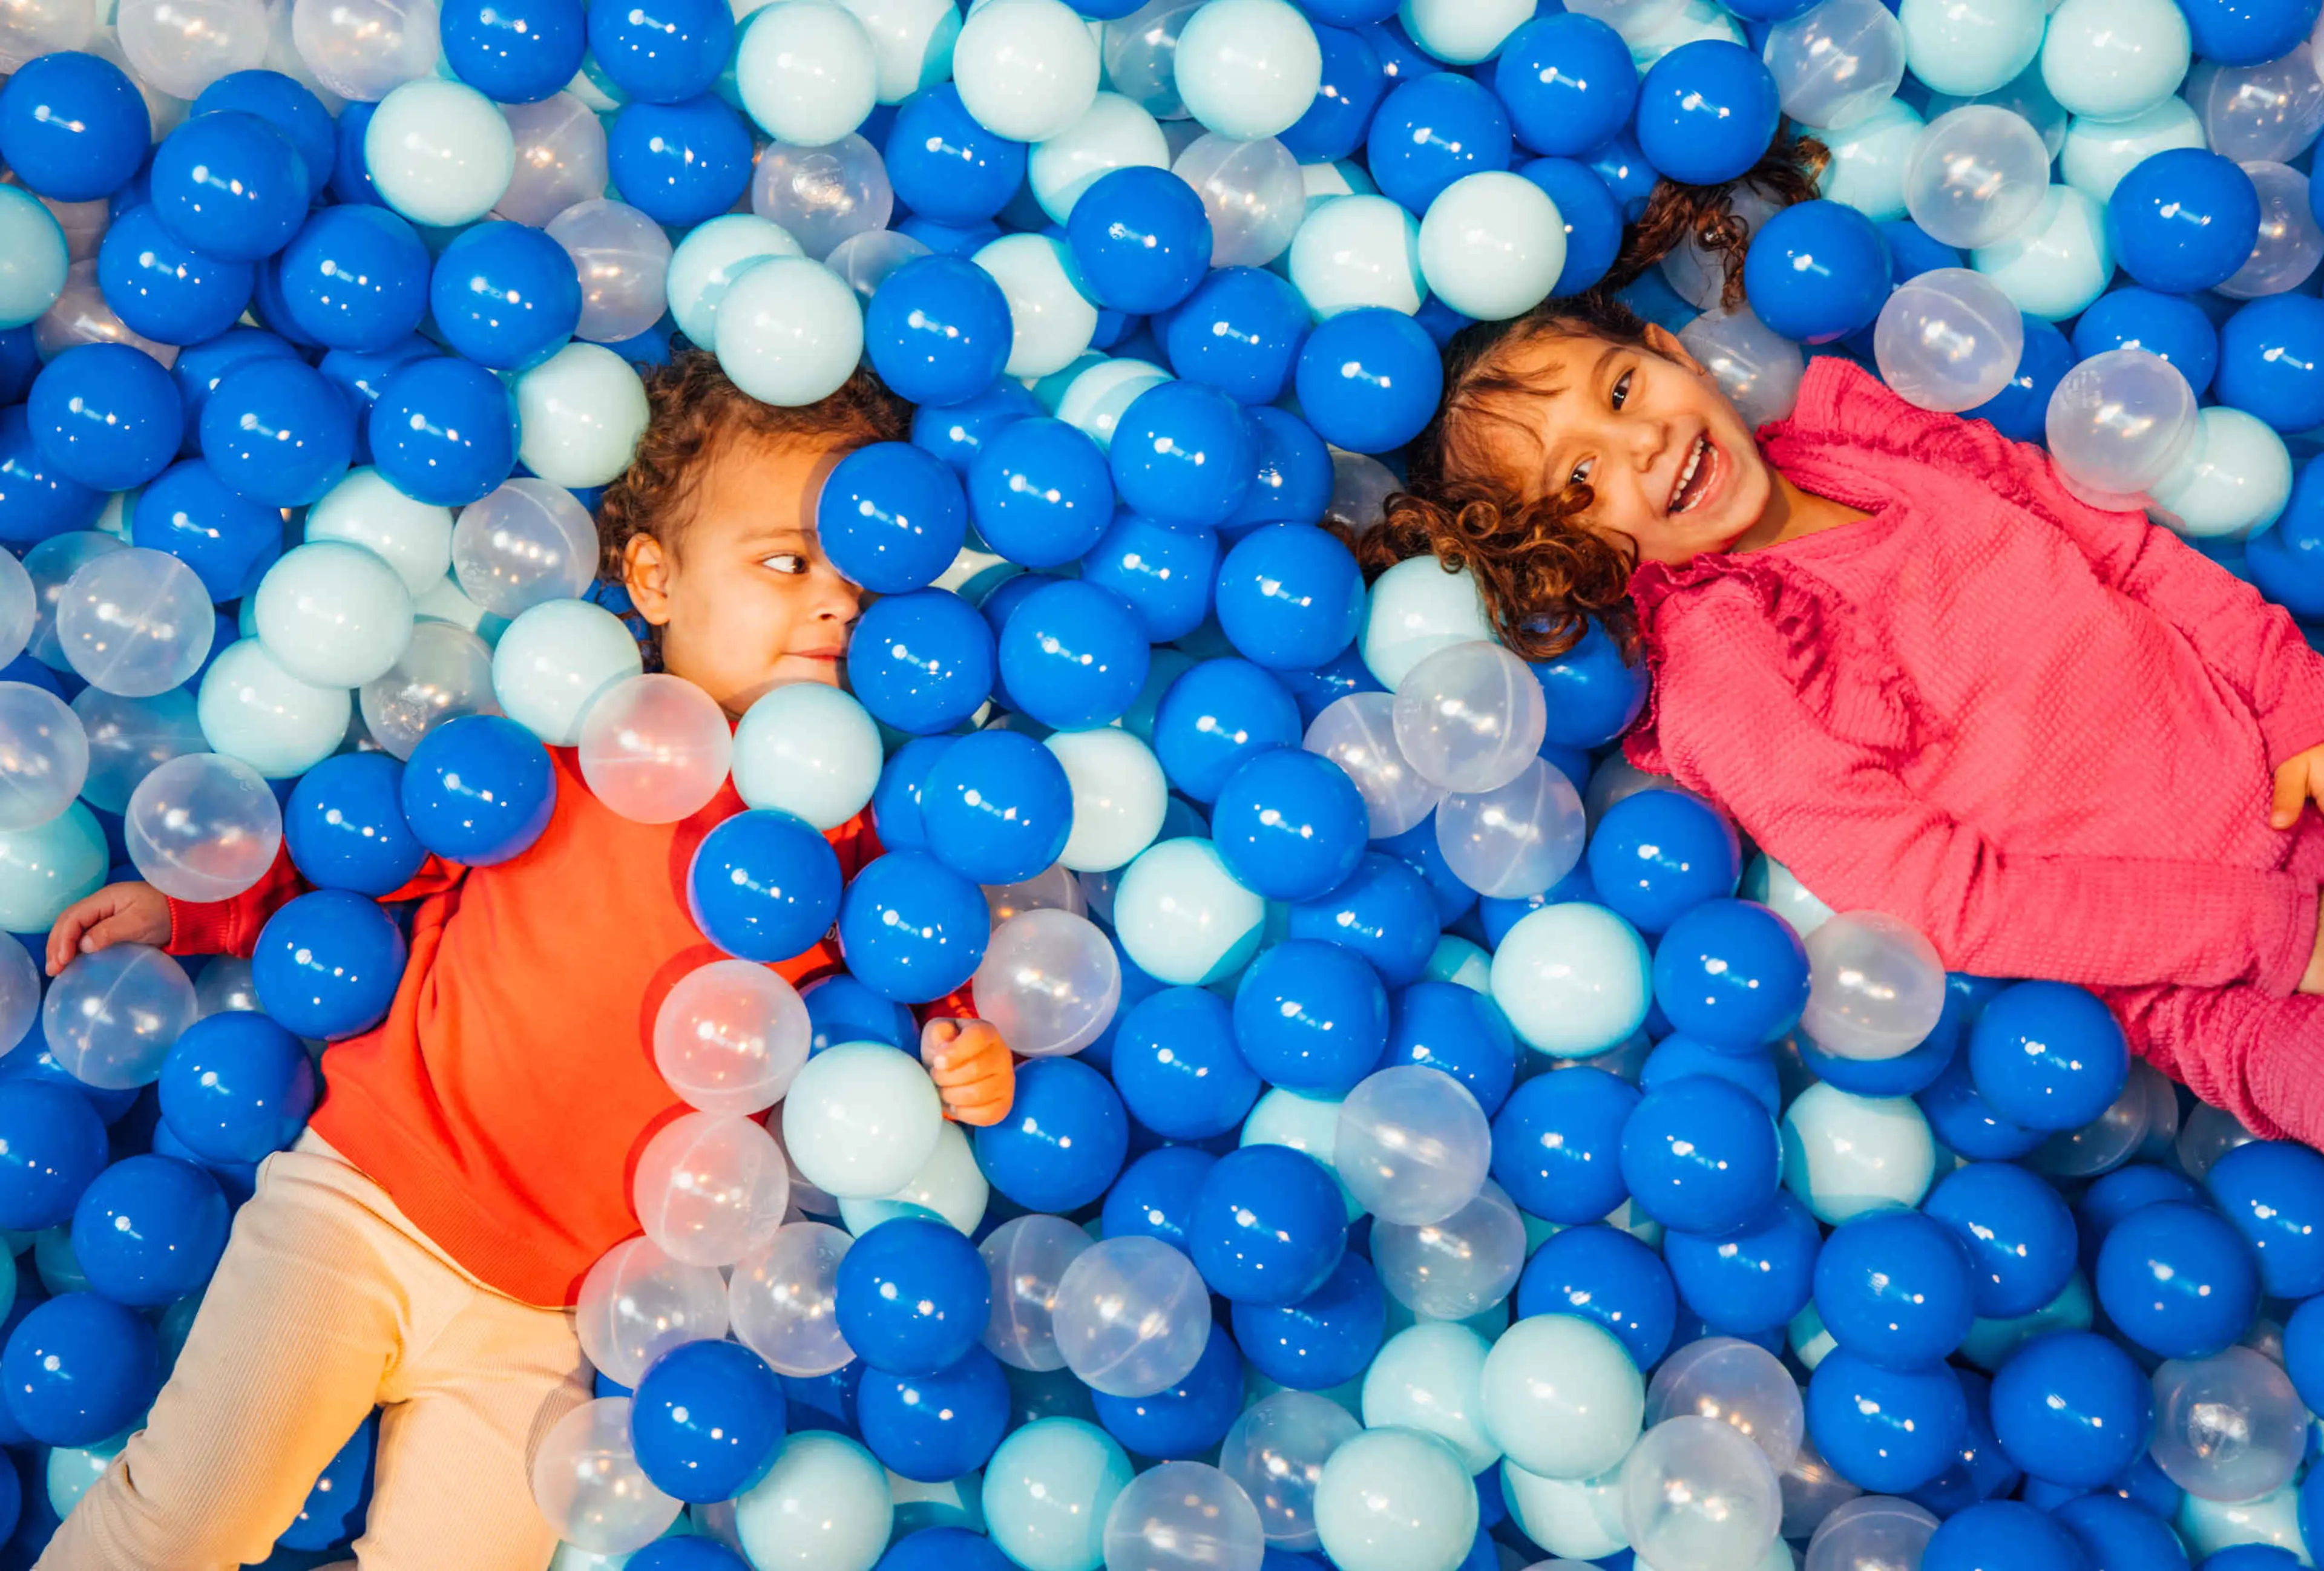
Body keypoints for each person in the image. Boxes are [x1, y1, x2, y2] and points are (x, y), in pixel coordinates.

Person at [34, 350, 1017, 1570]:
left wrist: (962, 1033)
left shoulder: (852, 840)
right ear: (654, 580)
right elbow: (351, 876)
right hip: (366, 1205)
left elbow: (908, 967)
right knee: (178, 1522)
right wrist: (189, 914)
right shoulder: (567, 755)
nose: (835, 604)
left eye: (863, 579)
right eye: (786, 562)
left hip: (555, 1317)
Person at [1364, 157, 2324, 1152]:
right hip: (2214, 976)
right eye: (1579, 479)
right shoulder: (1723, 671)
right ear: (1575, 557)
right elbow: (1952, 897)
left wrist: (2298, 699)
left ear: (1670, 351)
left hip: (2286, 757)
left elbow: (2118, 549)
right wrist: (2271, 934)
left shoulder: (1865, 437)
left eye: (1619, 390)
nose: (1639, 445)